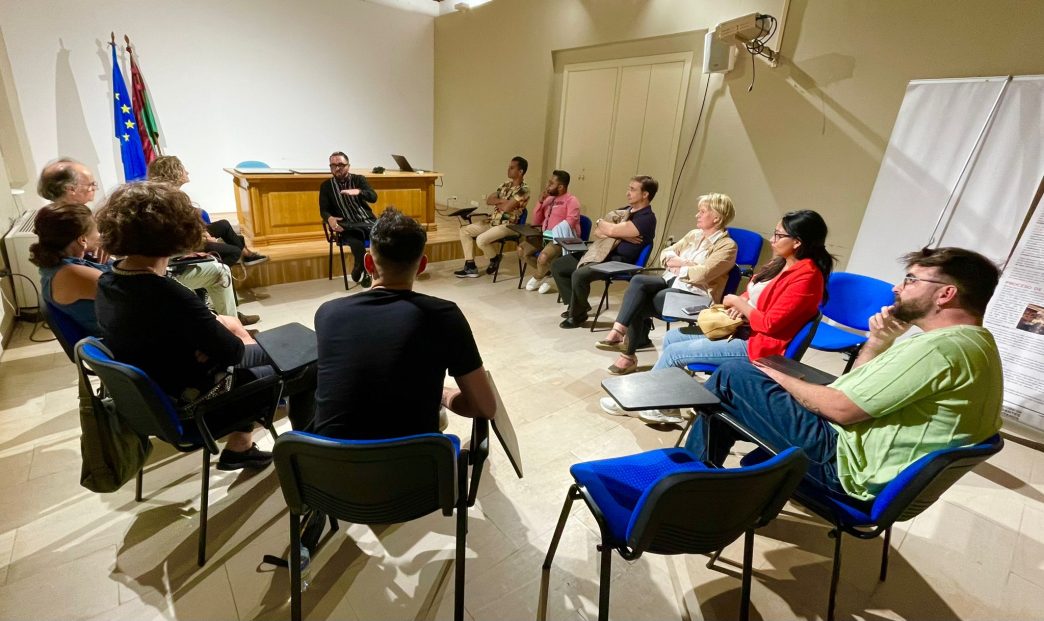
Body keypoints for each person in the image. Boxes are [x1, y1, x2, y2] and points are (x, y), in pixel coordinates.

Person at [689, 247, 1003, 501]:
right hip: (862, 456)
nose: (897, 288)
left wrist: (777, 375)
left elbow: (841, 408)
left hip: (845, 468)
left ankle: (691, 484)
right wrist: (878, 342)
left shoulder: (940, 351)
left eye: (911, 280)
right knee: (737, 392)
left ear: (946, 294)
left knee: (735, 374)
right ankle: (703, 483)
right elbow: (853, 388)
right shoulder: (972, 344)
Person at [94, 181, 314, 470]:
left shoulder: (109, 281)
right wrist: (233, 329)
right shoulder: (169, 295)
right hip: (200, 405)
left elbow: (174, 334)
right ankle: (309, 455)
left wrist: (209, 339)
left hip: (162, 395)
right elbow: (233, 352)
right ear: (175, 231)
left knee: (280, 345)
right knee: (310, 359)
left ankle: (240, 448)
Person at [602, 209, 832, 423]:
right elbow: (752, 290)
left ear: (797, 242)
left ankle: (640, 400)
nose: (772, 239)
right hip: (742, 328)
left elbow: (770, 324)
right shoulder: (779, 263)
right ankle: (668, 405)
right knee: (672, 339)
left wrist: (739, 303)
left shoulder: (807, 277)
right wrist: (740, 304)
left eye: (778, 235)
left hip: (759, 346)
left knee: (673, 352)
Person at [311, 207, 496, 440]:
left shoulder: (328, 314)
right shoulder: (445, 316)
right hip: (414, 471)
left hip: (329, 469)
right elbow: (486, 408)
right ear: (422, 266)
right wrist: (442, 394)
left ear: (369, 264)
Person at [34, 157, 257, 324]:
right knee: (217, 271)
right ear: (70, 189)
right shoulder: (71, 260)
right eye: (91, 185)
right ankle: (228, 322)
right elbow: (132, 290)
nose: (94, 190)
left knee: (216, 260)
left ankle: (227, 320)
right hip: (133, 318)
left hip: (130, 294)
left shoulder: (57, 222)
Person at [597, 193, 739, 374]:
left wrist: (679, 265)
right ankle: (618, 332)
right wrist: (685, 264)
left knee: (643, 302)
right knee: (638, 281)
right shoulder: (694, 235)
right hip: (672, 282)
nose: (697, 215)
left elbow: (702, 275)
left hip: (697, 297)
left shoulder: (727, 246)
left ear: (717, 217)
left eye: (702, 212)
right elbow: (666, 253)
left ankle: (627, 356)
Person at [553, 175, 658, 329]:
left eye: (632, 189)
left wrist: (604, 224)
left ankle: (577, 315)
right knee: (559, 266)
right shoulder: (623, 210)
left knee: (580, 274)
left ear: (645, 194)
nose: (628, 192)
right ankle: (576, 305)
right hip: (601, 252)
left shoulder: (647, 218)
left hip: (618, 260)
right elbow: (598, 232)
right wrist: (619, 234)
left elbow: (607, 228)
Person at [146, 155, 268, 266]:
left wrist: (202, 233)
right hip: (180, 245)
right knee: (234, 252)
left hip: (184, 237)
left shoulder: (166, 193)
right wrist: (201, 238)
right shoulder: (169, 198)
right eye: (183, 169)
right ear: (173, 172)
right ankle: (214, 274)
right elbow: (175, 231)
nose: (187, 172)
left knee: (224, 225)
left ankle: (246, 255)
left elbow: (186, 223)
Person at [29, 204, 109, 335]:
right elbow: (138, 300)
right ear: (82, 240)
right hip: (122, 343)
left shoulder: (58, 264)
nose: (100, 235)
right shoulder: (74, 274)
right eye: (97, 230)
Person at [454, 156, 530, 278]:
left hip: (509, 224)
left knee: (481, 240)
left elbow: (507, 208)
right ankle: (470, 266)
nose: (508, 169)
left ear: (520, 171)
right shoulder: (505, 184)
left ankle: (494, 258)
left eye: (512, 167)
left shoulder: (524, 190)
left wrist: (500, 202)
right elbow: (489, 200)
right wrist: (504, 201)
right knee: (464, 230)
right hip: (492, 221)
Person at [319, 151, 379, 288]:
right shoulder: (326, 186)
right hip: (346, 224)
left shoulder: (359, 179)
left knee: (383, 237)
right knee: (356, 239)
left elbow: (373, 197)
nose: (337, 168)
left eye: (340, 164)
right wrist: (330, 219)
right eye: (333, 165)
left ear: (348, 166)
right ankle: (362, 267)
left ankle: (366, 267)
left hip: (366, 220)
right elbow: (324, 210)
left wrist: (359, 192)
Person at [519, 170, 581, 294]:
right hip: (544, 236)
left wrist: (553, 231)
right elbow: (536, 221)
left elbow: (571, 222)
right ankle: (550, 273)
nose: (547, 186)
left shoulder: (571, 200)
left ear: (561, 187)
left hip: (561, 238)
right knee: (522, 250)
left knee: (543, 257)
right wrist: (540, 202)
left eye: (551, 183)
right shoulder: (549, 199)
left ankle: (537, 277)